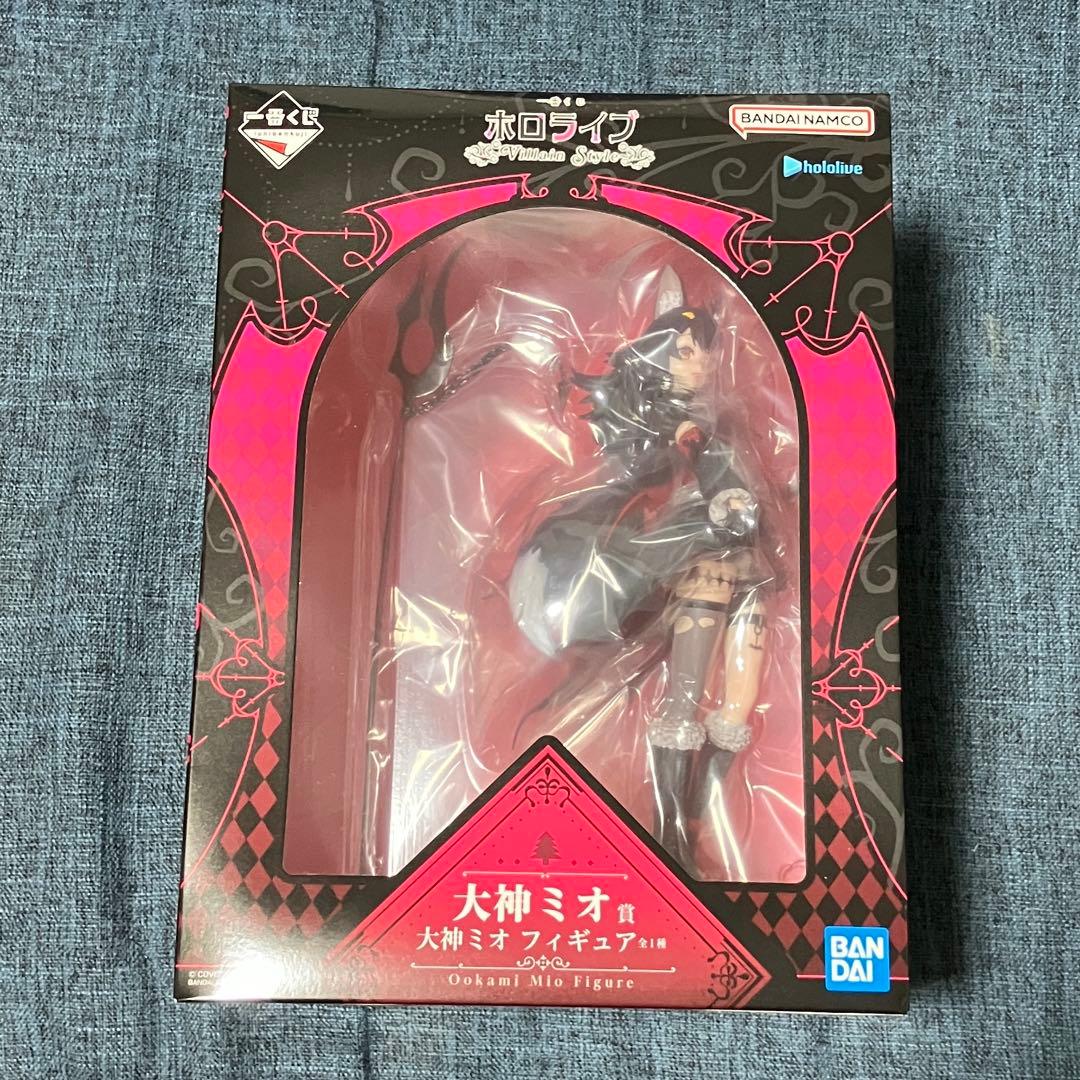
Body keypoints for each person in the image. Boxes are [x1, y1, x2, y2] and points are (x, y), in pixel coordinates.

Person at [508, 307, 770, 872]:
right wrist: (701, 474)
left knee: (738, 701)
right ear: (656, 360)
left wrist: (748, 502)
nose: (701, 362)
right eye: (684, 351)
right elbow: (654, 486)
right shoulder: (655, 426)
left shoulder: (713, 424)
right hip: (694, 561)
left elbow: (732, 484)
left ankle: (691, 828)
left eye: (704, 350)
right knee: (684, 700)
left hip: (740, 562)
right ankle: (671, 840)